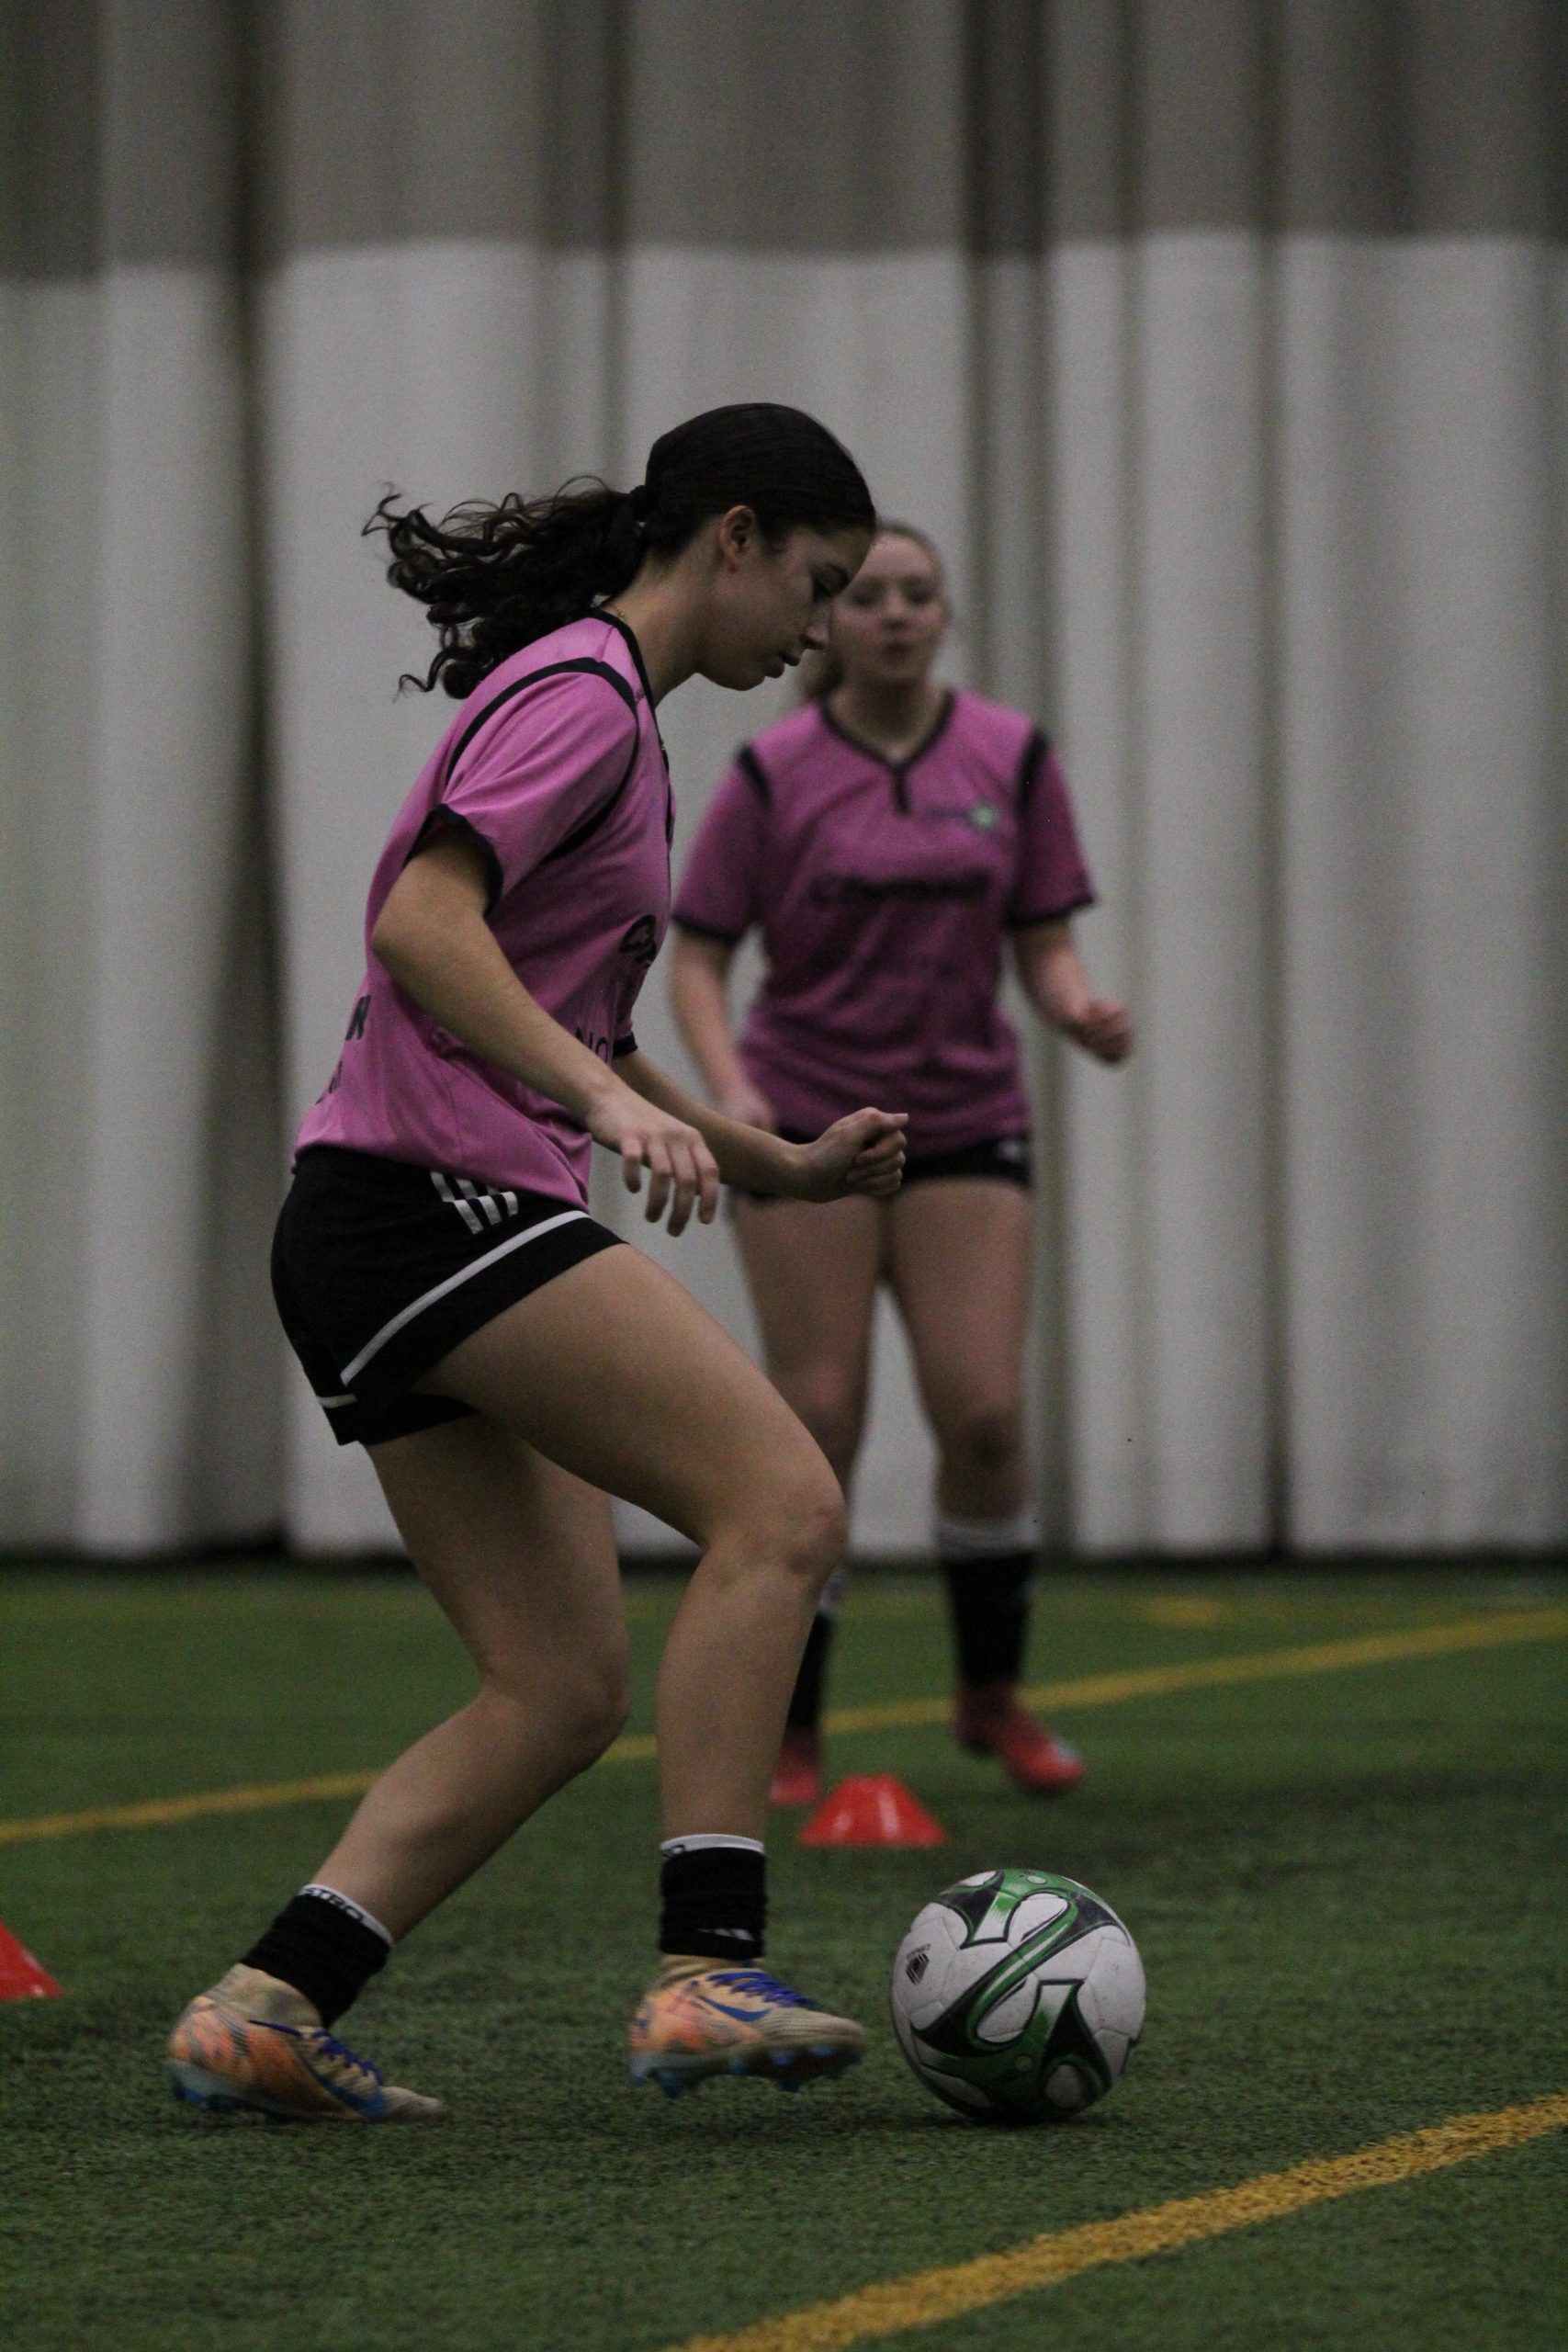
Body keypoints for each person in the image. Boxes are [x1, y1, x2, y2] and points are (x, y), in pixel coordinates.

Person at [165, 405, 908, 2123]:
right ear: (734, 537)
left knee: (562, 1683)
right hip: (431, 1201)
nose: (819, 629)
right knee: (783, 1506)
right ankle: (706, 1969)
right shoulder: (582, 694)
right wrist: (597, 1104)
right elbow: (422, 927)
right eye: (817, 584)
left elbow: (582, 1019)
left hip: (372, 1223)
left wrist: (772, 1161)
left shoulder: (616, 716)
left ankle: (269, 2005)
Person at [668, 522, 1131, 1809]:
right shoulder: (773, 773)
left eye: (918, 595)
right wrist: (731, 1087)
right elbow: (697, 954)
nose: (894, 616)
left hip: (965, 1118)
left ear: (946, 615)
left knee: (983, 1413)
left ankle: (991, 1694)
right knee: (818, 1419)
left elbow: (1044, 938)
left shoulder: (1010, 756)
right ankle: (792, 1731)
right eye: (868, 595)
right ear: (831, 619)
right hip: (809, 1121)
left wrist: (1077, 1005)